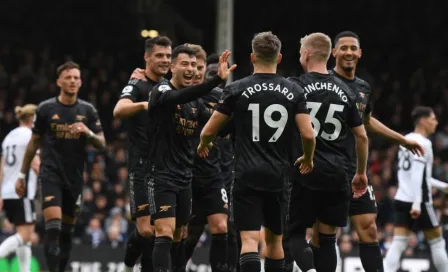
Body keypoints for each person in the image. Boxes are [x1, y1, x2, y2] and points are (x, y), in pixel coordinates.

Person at [304, 31, 424, 272]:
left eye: (353, 48)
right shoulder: (321, 83)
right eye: (343, 48)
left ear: (359, 53)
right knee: (322, 234)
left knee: (369, 228)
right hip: (326, 169)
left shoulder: (363, 87)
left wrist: (402, 139)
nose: (348, 52)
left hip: (353, 169)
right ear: (334, 53)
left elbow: (366, 122)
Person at [198, 31, 316, 272]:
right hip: (279, 176)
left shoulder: (237, 89)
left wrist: (204, 143)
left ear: (252, 57)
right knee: (274, 242)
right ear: (279, 57)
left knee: (249, 241)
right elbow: (308, 134)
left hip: (245, 174)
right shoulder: (294, 91)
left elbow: (209, 130)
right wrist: (308, 156)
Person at [147, 45, 236, 272]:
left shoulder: (195, 104)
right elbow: (181, 95)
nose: (191, 70)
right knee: (165, 232)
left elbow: (219, 128)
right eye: (185, 64)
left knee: (180, 234)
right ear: (172, 67)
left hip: (185, 177)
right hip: (161, 176)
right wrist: (216, 81)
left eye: (195, 66)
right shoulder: (161, 91)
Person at [287, 32, 369, 272]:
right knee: (328, 238)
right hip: (338, 173)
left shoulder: (296, 86)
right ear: (328, 54)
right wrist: (360, 172)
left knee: (295, 233)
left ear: (307, 54)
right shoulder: (347, 91)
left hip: (305, 169)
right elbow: (362, 136)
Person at [15, 61, 105, 272]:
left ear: (81, 82)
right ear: (59, 81)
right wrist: (22, 174)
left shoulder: (88, 110)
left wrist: (88, 132)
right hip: (50, 175)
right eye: (68, 77)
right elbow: (34, 143)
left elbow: (102, 143)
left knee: (66, 233)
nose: (72, 81)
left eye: (76, 78)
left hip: (74, 179)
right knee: (53, 228)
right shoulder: (46, 109)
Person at [113, 35, 172, 272]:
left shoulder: (170, 86)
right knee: (147, 230)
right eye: (159, 55)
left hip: (167, 166)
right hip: (141, 165)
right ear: (147, 57)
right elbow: (119, 109)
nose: (165, 60)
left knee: (162, 230)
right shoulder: (137, 84)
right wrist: (144, 104)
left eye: (168, 56)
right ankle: (128, 265)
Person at [384, 107, 448, 272]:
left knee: (399, 242)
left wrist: (443, 186)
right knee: (437, 242)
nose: (436, 122)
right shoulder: (424, 143)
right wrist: (417, 204)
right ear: (422, 120)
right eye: (432, 119)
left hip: (402, 197)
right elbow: (418, 175)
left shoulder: (405, 140)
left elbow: (413, 175)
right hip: (419, 201)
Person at [0, 105, 40, 272]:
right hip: (22, 192)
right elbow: (36, 164)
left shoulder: (9, 137)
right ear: (32, 118)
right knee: (25, 235)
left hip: (8, 192)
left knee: (25, 239)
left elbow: (1, 167)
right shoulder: (30, 135)